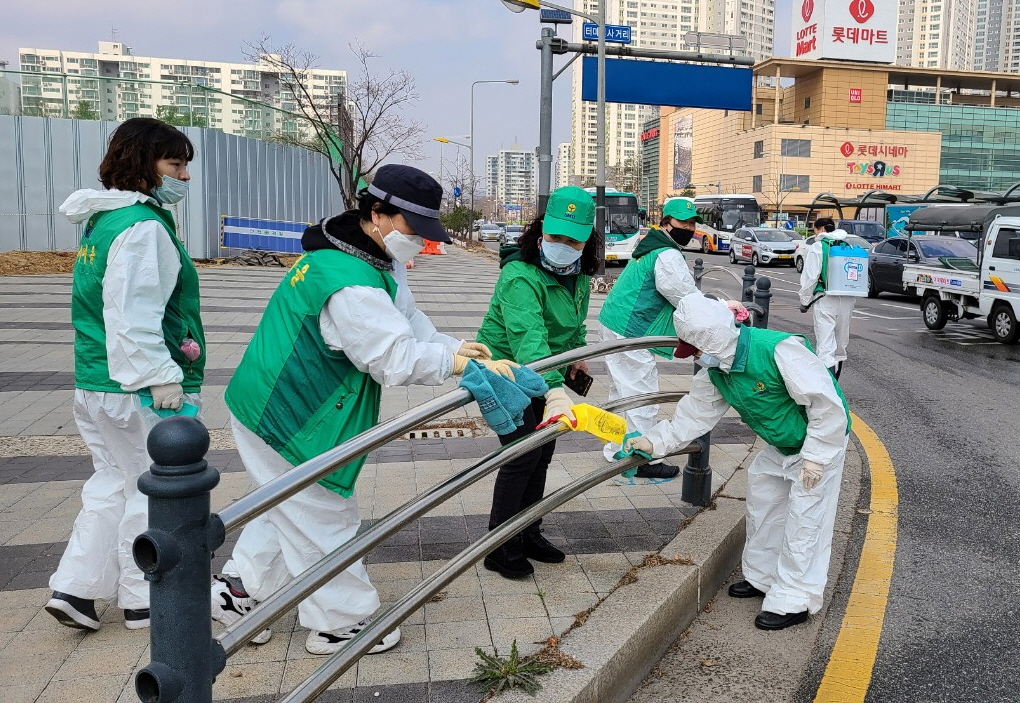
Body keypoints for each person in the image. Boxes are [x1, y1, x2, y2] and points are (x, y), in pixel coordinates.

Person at [211, 165, 514, 655]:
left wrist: (460, 346)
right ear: (378, 213)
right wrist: (452, 363)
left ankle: (238, 593)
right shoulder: (349, 280)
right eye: (415, 229)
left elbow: (408, 324)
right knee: (325, 515)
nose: (420, 241)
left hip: (282, 402)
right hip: (290, 412)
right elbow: (389, 358)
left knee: (289, 505)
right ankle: (342, 623)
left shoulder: (368, 259)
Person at [46, 117, 204, 632]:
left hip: (95, 381)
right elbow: (133, 313)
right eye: (173, 163)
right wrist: (162, 377)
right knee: (149, 488)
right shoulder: (141, 227)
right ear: (143, 163)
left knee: (111, 483)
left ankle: (76, 589)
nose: (183, 176)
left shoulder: (103, 221)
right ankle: (144, 599)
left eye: (184, 165)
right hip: (134, 387)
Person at [624, 295, 850, 631]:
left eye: (696, 350)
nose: (696, 358)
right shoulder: (718, 370)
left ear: (712, 339)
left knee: (805, 522)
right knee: (764, 508)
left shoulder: (778, 350)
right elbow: (693, 416)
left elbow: (826, 406)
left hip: (820, 445)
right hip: (780, 444)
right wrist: (653, 442)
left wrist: (816, 459)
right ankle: (762, 577)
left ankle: (795, 598)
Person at [474, 186, 600, 579]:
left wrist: (576, 357)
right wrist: (555, 389)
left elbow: (573, 328)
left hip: (549, 377)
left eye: (573, 240)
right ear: (541, 230)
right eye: (556, 237)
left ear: (587, 241)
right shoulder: (519, 276)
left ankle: (528, 531)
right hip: (507, 373)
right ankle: (499, 545)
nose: (563, 246)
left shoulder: (577, 277)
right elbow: (529, 342)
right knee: (522, 456)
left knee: (542, 454)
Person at [597, 198, 706, 479]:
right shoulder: (666, 255)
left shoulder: (652, 247)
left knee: (622, 392)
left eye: (693, 223)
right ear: (666, 222)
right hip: (629, 330)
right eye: (684, 223)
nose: (689, 228)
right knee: (641, 394)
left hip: (614, 322)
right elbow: (686, 298)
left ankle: (616, 448)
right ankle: (640, 457)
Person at [798, 217, 857, 379]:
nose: (815, 234)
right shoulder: (847, 246)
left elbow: (810, 278)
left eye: (815, 230)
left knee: (825, 345)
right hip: (847, 299)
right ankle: (836, 384)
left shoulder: (818, 247)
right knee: (840, 344)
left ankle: (828, 388)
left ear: (822, 229)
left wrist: (804, 301)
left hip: (825, 299)